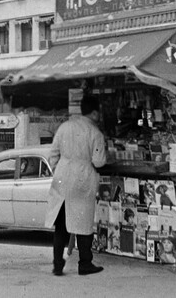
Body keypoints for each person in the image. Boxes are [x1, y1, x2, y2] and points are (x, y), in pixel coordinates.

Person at [44, 94, 107, 276]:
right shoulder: (95, 133)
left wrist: (60, 169)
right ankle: (85, 263)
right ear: (95, 113)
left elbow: (52, 154)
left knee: (61, 225)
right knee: (83, 223)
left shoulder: (65, 127)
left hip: (63, 178)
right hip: (83, 179)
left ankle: (57, 264)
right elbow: (99, 161)